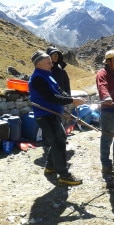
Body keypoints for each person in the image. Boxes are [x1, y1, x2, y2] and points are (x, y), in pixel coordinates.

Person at [28, 50, 85, 186]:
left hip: (53, 114)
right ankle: (64, 175)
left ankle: (50, 167)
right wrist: (71, 100)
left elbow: (59, 91)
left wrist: (70, 98)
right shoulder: (37, 78)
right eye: (48, 62)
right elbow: (51, 97)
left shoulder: (48, 75)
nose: (51, 64)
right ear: (39, 64)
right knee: (58, 142)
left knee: (60, 139)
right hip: (45, 115)